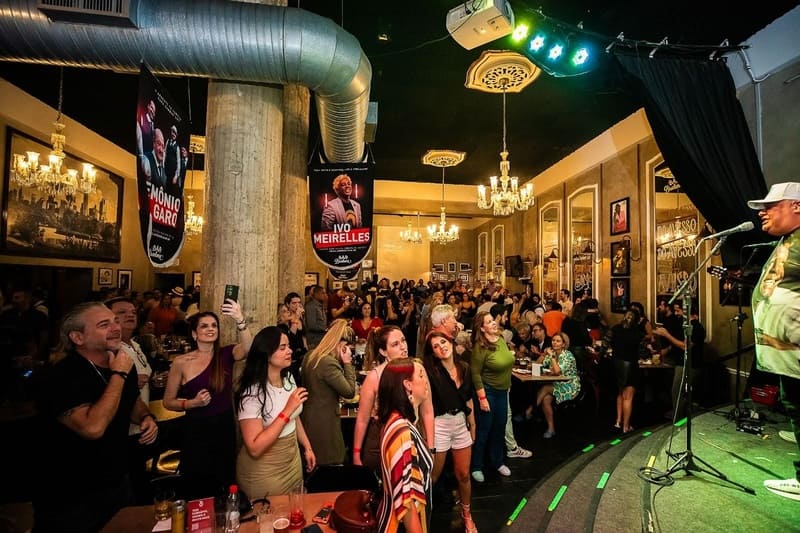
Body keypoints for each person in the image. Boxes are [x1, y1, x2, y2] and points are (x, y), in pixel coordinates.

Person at [33, 302, 158, 532]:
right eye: (104, 324)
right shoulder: (61, 376)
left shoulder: (120, 363)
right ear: (78, 337)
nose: (115, 328)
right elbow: (92, 428)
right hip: (71, 491)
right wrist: (118, 374)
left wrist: (145, 416)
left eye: (115, 321)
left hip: (117, 480)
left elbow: (132, 400)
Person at [162, 298, 252, 500]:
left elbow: (248, 348)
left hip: (223, 426)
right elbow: (168, 401)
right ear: (194, 334)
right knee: (197, 481)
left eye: (214, 325)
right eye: (204, 326)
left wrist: (239, 319)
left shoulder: (226, 354)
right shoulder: (181, 362)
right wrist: (192, 403)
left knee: (224, 478)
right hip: (196, 429)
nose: (210, 329)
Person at [747, 182, 800, 500]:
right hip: (788, 355)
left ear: (796, 206)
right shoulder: (787, 241)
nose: (762, 213)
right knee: (795, 408)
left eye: (771, 206)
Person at [235, 326, 316, 498]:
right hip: (265, 471)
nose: (290, 351)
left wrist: (307, 447)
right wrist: (287, 409)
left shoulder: (288, 378)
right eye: (282, 347)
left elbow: (295, 417)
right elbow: (255, 448)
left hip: (292, 461)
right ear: (266, 354)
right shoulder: (253, 393)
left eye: (288, 346)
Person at [352, 326, 435, 472]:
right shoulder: (375, 376)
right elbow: (362, 419)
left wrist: (431, 447)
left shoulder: (418, 370)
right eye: (395, 344)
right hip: (380, 439)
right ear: (383, 351)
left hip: (412, 435)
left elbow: (427, 411)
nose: (403, 347)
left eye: (403, 340)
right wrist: (356, 453)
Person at [422, 332, 478, 533]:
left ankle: (467, 515)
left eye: (443, 342)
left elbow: (468, 399)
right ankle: (421, 518)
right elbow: (425, 406)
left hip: (461, 422)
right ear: (433, 353)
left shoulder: (465, 368)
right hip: (440, 424)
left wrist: (472, 425)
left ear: (451, 342)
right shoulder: (431, 372)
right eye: (435, 346)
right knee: (432, 476)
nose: (441, 347)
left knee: (464, 474)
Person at [105, 297, 155, 503]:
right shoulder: (111, 350)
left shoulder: (134, 344)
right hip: (122, 428)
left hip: (140, 423)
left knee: (139, 477)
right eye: (122, 312)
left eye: (133, 312)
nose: (130, 315)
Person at [376, 358, 433, 533]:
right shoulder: (403, 434)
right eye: (421, 376)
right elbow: (407, 504)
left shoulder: (397, 420)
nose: (426, 381)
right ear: (408, 385)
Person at [300, 319, 357, 465]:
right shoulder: (328, 362)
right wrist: (348, 363)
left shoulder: (310, 356)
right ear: (340, 345)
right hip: (325, 424)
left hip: (309, 419)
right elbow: (349, 392)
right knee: (330, 461)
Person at [470, 311, 515, 482]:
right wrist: (482, 398)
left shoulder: (501, 339)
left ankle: (497, 462)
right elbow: (475, 373)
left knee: (499, 427)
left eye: (492, 320)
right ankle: (476, 466)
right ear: (482, 328)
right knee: (484, 430)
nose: (494, 323)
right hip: (488, 392)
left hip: (503, 392)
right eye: (489, 322)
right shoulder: (480, 347)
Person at [534, 332, 581, 439]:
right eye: (553, 340)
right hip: (557, 384)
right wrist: (544, 354)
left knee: (545, 388)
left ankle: (530, 410)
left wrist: (552, 357)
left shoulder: (568, 355)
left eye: (558, 341)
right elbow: (536, 364)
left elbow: (557, 371)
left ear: (563, 344)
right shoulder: (552, 353)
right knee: (546, 399)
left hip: (570, 385)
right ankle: (551, 428)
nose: (554, 343)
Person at [604, 310, 644, 433]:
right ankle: (626, 427)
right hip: (630, 366)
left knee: (620, 393)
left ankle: (618, 421)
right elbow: (642, 351)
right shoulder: (638, 333)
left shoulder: (615, 329)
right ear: (637, 320)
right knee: (628, 397)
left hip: (616, 364)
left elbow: (605, 343)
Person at [305, 285, 327, 349]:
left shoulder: (320, 305)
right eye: (322, 293)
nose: (325, 295)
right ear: (316, 294)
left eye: (325, 293)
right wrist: (324, 328)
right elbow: (311, 325)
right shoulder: (311, 306)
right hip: (314, 340)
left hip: (321, 338)